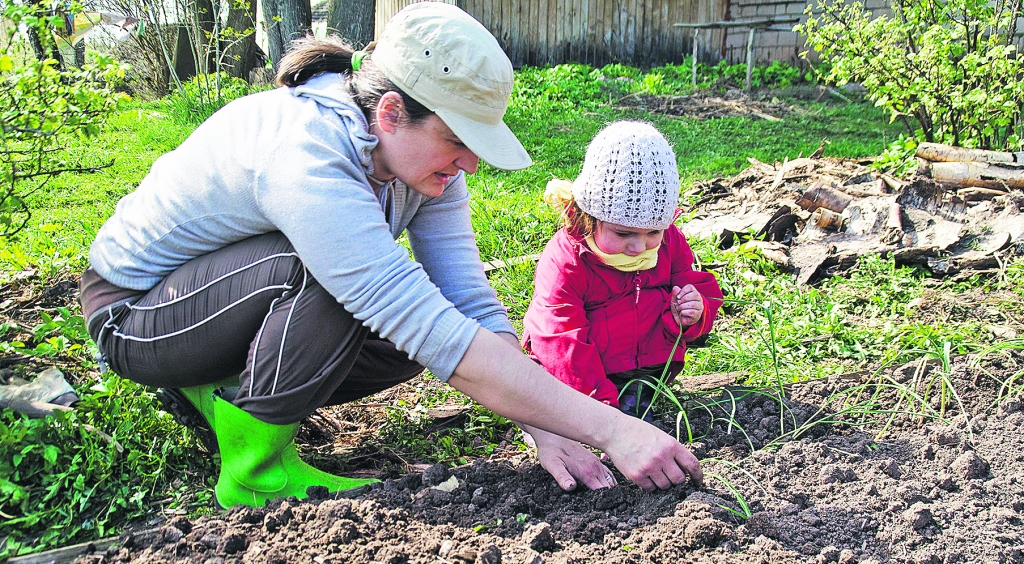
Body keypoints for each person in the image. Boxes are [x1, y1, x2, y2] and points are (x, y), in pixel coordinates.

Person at [78, 2, 703, 509]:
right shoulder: (306, 151)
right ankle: (254, 474)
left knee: (420, 332)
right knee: (331, 279)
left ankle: (221, 391)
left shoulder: (425, 172)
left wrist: (548, 427)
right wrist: (613, 428)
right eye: (458, 141)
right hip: (138, 316)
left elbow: (467, 304)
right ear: (391, 112)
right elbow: (419, 319)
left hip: (222, 301)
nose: (469, 164)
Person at [523, 121, 722, 421]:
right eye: (623, 233)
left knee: (637, 406)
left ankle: (635, 396)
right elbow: (562, 337)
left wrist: (696, 311)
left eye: (653, 231)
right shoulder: (568, 260)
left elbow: (698, 288)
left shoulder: (669, 242)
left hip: (646, 370)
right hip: (579, 375)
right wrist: (603, 412)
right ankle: (567, 411)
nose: (639, 247)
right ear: (588, 216)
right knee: (556, 395)